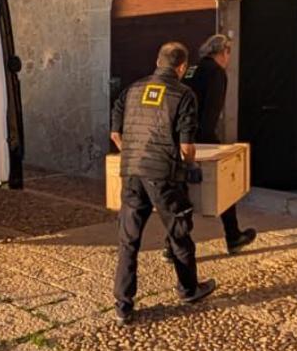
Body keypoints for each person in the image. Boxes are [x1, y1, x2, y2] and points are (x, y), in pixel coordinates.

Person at [110, 42, 217, 325]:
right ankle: (189, 289)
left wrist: (133, 152)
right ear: (182, 67)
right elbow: (186, 147)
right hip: (163, 176)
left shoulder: (131, 90)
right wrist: (189, 164)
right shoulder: (183, 94)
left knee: (128, 241)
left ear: (158, 62)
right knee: (179, 233)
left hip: (131, 172)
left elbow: (115, 133)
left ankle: (123, 306)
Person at [185, 34, 257, 254]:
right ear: (223, 51)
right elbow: (211, 112)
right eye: (229, 53)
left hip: (181, 137)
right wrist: (210, 142)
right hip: (201, 137)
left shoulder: (192, 69)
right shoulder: (216, 73)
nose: (229, 58)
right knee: (226, 184)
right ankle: (233, 236)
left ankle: (173, 244)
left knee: (181, 192)